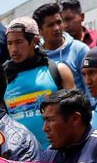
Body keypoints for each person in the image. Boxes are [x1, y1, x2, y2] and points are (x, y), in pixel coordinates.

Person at [4, 16, 75, 149]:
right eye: (10, 43)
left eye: (19, 41)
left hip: (59, 153)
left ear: (34, 40)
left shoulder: (59, 71)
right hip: (22, 158)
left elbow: (75, 116)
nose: (14, 49)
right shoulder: (2, 79)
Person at [35, 1, 90, 96]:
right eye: (50, 25)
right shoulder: (36, 57)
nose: (56, 28)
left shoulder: (80, 50)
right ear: (40, 31)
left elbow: (92, 92)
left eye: (59, 22)